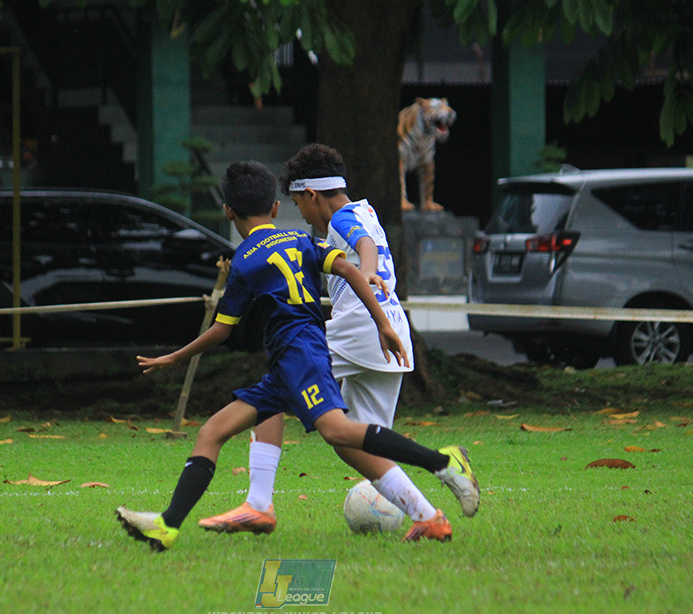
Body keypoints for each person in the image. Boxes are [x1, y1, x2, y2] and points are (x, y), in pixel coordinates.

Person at [116, 161, 479, 552]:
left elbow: (222, 331)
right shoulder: (301, 240)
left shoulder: (244, 261)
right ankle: (170, 525)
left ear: (228, 212)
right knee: (212, 432)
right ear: (275, 208)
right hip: (290, 360)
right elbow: (352, 270)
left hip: (300, 354)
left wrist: (174, 357)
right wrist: (384, 324)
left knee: (338, 432)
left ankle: (442, 463)